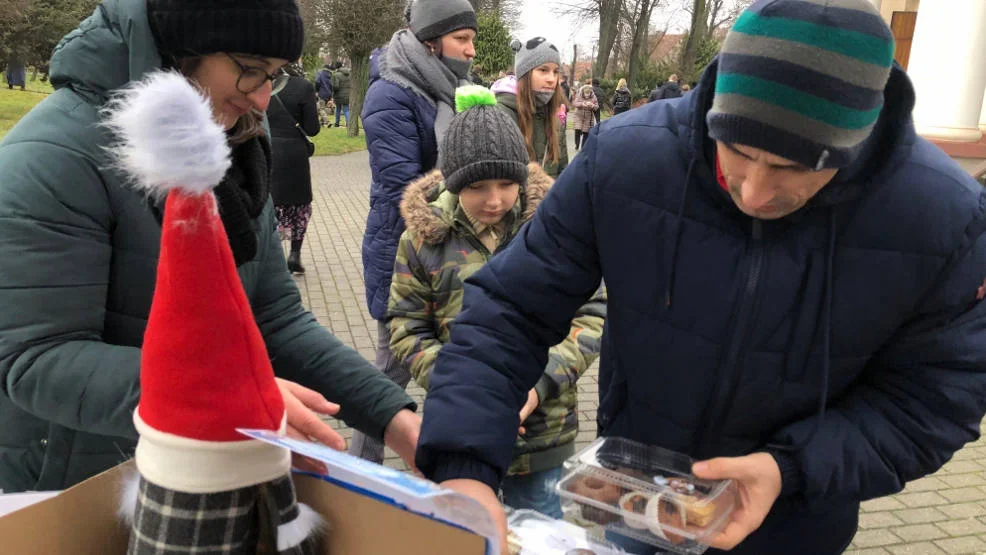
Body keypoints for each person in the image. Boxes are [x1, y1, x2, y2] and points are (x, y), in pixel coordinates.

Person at [415, 1, 986, 554]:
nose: (756, 192)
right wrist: (465, 466)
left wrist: (788, 468)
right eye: (735, 150)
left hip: (795, 523)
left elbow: (935, 398)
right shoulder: (624, 161)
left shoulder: (943, 217)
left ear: (857, 145)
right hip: (637, 505)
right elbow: (509, 313)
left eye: (795, 167)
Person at [0, 0, 420, 494]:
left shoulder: (234, 140)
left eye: (277, 75)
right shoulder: (54, 156)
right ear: (184, 47)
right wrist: (231, 394)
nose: (263, 99)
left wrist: (393, 416)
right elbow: (36, 360)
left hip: (201, 474)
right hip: (76, 487)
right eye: (250, 72)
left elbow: (274, 316)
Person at [388, 86, 606, 518]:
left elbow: (592, 314)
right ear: (453, 182)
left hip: (543, 434)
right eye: (477, 186)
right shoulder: (421, 241)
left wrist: (536, 385)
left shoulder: (552, 231)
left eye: (507, 184)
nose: (494, 199)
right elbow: (406, 328)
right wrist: (469, 388)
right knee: (466, 533)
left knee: (541, 531)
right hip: (461, 432)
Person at [356, 0, 477, 464]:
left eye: (471, 40)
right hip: (404, 253)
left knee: (449, 372)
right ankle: (361, 472)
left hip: (454, 254)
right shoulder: (391, 93)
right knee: (390, 377)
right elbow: (400, 185)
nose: (470, 51)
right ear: (431, 41)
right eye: (460, 40)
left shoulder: (456, 89)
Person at [267, 62, 320, 275]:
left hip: (267, 150)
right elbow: (312, 129)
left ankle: (274, 256)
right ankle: (295, 254)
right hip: (295, 154)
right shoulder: (303, 87)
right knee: (300, 206)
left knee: (273, 206)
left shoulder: (258, 84)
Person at [495, 37, 569, 177]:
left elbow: (562, 175)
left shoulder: (556, 121)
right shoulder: (500, 116)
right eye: (543, 70)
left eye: (555, 72)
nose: (551, 79)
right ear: (525, 74)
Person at [571, 84, 597, 151]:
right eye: (586, 93)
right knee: (577, 129)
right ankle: (577, 144)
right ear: (583, 92)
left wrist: (592, 106)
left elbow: (597, 107)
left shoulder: (593, 97)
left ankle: (583, 147)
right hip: (579, 115)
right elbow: (575, 103)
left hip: (588, 116)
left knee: (586, 132)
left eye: (588, 93)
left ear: (590, 92)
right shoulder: (579, 95)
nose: (587, 95)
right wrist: (581, 104)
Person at [314, 59, 335, 127]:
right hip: (328, 94)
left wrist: (317, 91)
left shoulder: (320, 73)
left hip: (322, 93)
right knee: (320, 107)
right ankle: (321, 123)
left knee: (321, 109)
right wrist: (331, 96)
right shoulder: (329, 75)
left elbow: (317, 81)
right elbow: (331, 86)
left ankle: (327, 122)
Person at [332, 61, 351, 127]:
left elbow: (336, 86)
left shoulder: (336, 75)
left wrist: (333, 90)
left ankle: (337, 123)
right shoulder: (349, 74)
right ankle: (349, 123)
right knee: (346, 109)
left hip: (338, 95)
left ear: (336, 66)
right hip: (347, 95)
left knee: (338, 109)